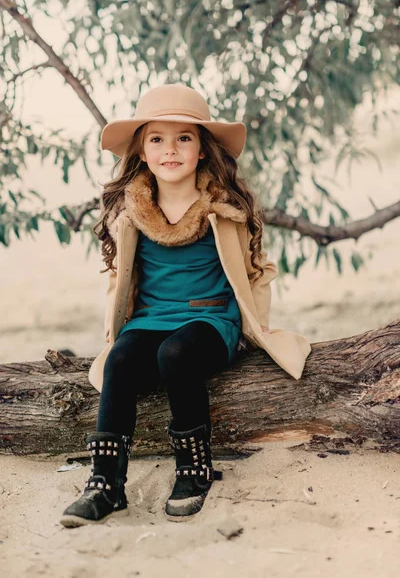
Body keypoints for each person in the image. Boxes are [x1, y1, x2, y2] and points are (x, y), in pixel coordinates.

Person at [60, 84, 311, 528]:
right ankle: (105, 484)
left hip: (211, 319)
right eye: (156, 138)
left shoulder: (224, 209)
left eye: (184, 138)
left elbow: (257, 271)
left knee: (175, 354)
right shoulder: (131, 211)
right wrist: (113, 328)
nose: (169, 150)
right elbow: (120, 278)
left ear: (202, 149)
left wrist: (257, 327)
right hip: (152, 318)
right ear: (140, 150)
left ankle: (193, 470)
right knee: (120, 359)